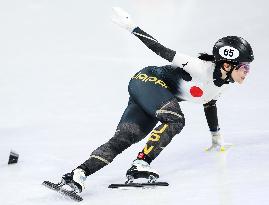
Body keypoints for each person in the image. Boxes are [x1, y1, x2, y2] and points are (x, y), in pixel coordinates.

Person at [58, 7, 254, 193]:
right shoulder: (198, 67)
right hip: (147, 81)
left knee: (126, 137)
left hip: (152, 95)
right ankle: (141, 164)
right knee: (176, 119)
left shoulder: (223, 86)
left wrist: (216, 138)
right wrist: (132, 27)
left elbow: (209, 104)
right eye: (244, 67)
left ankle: (77, 175)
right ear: (227, 65)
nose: (247, 72)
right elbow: (161, 50)